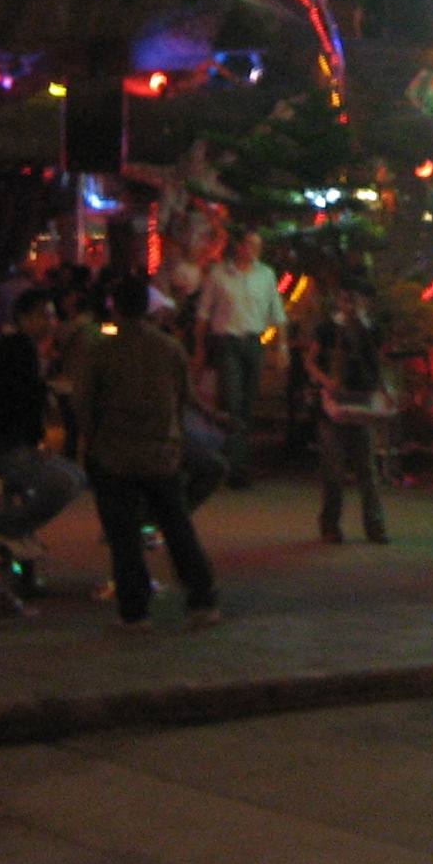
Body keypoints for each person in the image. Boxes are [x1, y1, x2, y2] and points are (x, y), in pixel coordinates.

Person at [76, 275, 220, 629]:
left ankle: (135, 610)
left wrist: (88, 443)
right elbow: (185, 395)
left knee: (123, 535)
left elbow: (85, 403)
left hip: (115, 452)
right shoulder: (168, 347)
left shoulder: (102, 350)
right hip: (161, 451)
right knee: (177, 526)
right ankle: (202, 598)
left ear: (115, 307)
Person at [0, 291, 84, 560]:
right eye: (43, 316)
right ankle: (7, 529)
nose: (50, 322)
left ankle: (20, 529)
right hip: (3, 447)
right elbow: (19, 400)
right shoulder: (18, 348)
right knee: (63, 483)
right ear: (23, 318)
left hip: (14, 442)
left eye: (52, 316)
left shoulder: (24, 349)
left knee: (76, 476)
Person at [195, 229, 288, 488]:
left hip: (253, 342)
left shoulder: (265, 275)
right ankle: (235, 466)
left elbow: (277, 312)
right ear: (239, 246)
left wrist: (281, 347)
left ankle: (234, 458)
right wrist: (200, 348)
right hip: (227, 341)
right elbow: (204, 313)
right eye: (250, 245)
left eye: (258, 246)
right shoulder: (219, 275)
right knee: (232, 400)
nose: (254, 250)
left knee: (247, 402)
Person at [308, 278, 394, 544]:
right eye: (345, 300)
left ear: (364, 302)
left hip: (361, 400)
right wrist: (326, 382)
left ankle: (374, 525)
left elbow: (380, 363)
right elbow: (310, 361)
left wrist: (386, 391)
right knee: (333, 468)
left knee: (367, 469)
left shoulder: (373, 330)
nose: (350, 306)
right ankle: (331, 524)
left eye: (354, 300)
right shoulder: (328, 329)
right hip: (334, 402)